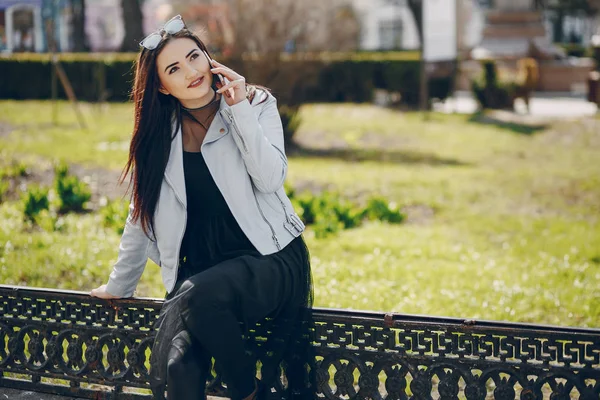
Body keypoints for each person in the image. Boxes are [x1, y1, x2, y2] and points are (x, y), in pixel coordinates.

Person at [90, 15, 313, 400]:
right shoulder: (159, 136)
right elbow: (140, 217)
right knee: (179, 367)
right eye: (174, 68)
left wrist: (239, 109)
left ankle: (249, 393)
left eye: (195, 57)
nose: (191, 71)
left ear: (210, 59)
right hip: (201, 274)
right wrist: (119, 285)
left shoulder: (256, 103)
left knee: (194, 295)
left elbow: (270, 179)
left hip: (266, 258)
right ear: (162, 86)